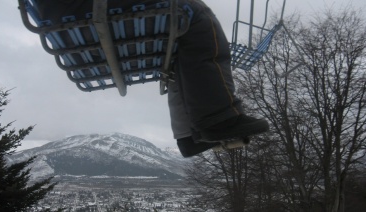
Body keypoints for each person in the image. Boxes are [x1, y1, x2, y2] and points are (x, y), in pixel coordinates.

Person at [35, 0, 269, 157]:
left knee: (180, 44)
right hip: (85, 11)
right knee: (195, 15)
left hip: (62, 16)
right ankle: (220, 118)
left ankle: (189, 136)